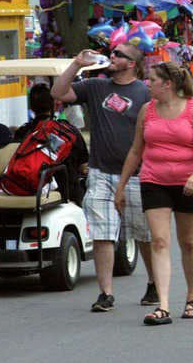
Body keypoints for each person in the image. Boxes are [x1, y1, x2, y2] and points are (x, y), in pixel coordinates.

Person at [50, 43, 156, 312]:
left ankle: (155, 282)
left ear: (132, 63)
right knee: (102, 233)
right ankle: (106, 293)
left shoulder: (145, 92)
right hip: (100, 172)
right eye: (113, 52)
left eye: (120, 55)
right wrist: (77, 64)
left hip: (136, 174)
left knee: (142, 233)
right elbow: (58, 92)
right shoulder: (96, 86)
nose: (113, 56)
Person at [115, 61, 193, 326]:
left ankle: (192, 296)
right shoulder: (147, 111)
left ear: (167, 84)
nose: (148, 84)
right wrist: (121, 186)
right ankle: (164, 305)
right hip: (154, 180)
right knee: (159, 240)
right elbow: (136, 150)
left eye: (152, 80)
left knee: (188, 241)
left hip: (188, 182)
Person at [15, 84, 89, 205]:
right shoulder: (69, 131)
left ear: (32, 107)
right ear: (54, 105)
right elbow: (83, 166)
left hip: (28, 190)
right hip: (66, 194)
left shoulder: (23, 132)